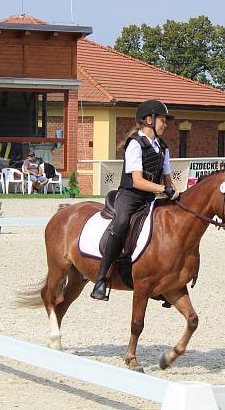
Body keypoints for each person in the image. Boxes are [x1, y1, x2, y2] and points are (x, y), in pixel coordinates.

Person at [90, 99, 180, 301]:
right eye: (162, 120)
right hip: (130, 197)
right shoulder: (135, 145)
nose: (165, 124)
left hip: (150, 199)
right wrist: (163, 189)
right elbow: (138, 181)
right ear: (149, 120)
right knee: (121, 225)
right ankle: (101, 279)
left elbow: (168, 178)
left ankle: (163, 281)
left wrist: (174, 191)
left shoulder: (163, 148)